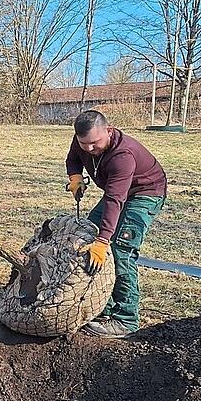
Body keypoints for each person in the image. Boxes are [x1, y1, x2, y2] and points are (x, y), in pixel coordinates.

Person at [66, 110, 167, 338]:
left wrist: (103, 241)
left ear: (108, 131)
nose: (89, 149)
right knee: (86, 234)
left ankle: (125, 318)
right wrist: (75, 177)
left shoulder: (123, 155)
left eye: (94, 143)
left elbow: (115, 200)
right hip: (117, 191)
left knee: (120, 250)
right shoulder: (82, 141)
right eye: (84, 144)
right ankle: (104, 306)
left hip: (144, 193)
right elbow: (73, 159)